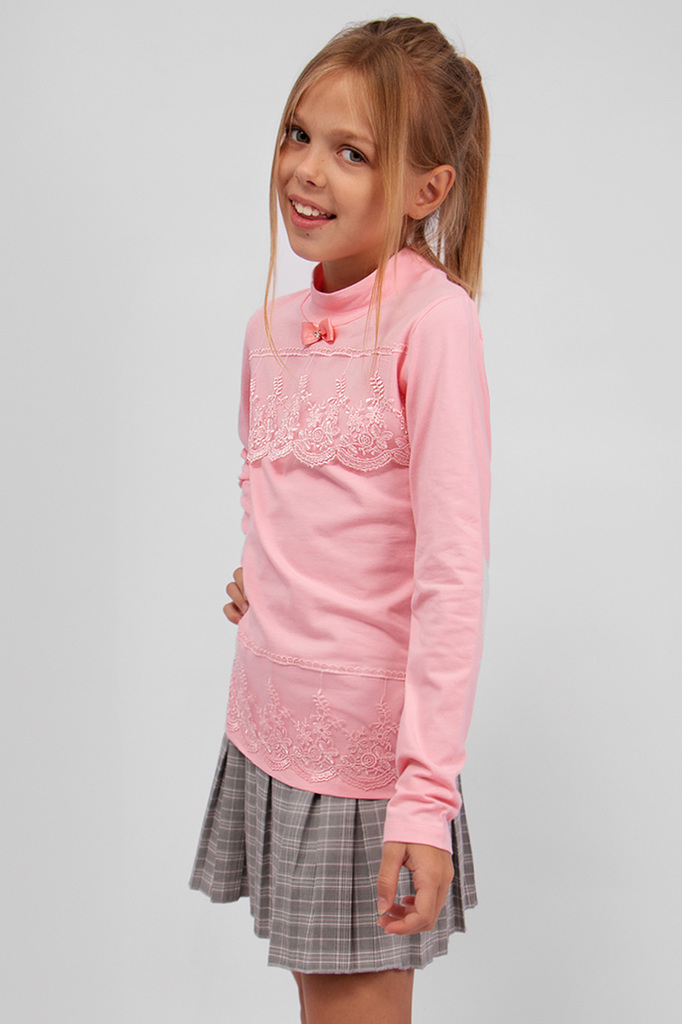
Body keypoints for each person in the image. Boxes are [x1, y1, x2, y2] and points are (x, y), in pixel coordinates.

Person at [189, 16, 491, 1024]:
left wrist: (424, 799)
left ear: (425, 190)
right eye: (298, 134)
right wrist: (263, 569)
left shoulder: (431, 323)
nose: (307, 171)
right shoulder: (267, 330)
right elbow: (268, 476)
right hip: (271, 730)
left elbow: (451, 571)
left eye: (351, 152)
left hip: (368, 763)